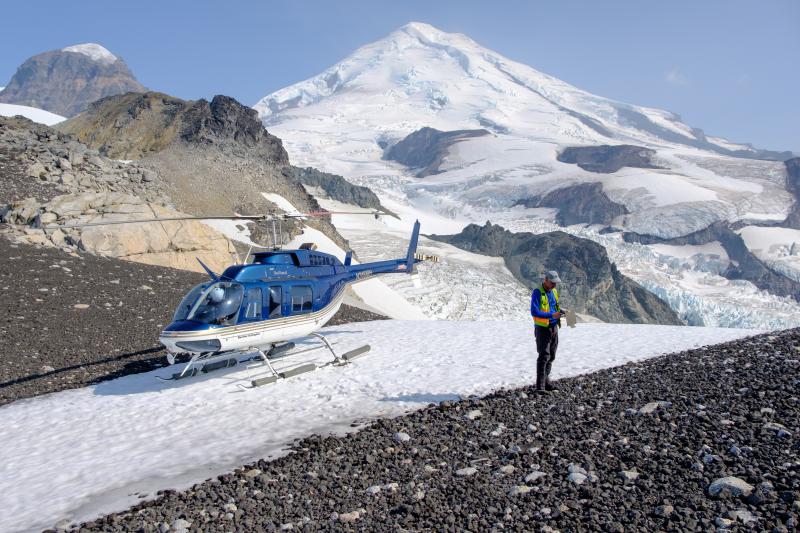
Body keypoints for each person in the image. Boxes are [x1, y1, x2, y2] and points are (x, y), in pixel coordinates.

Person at [530, 270, 566, 393]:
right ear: (545, 280)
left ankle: (546, 383)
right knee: (544, 356)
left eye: (556, 283)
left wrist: (561, 311)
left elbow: (554, 306)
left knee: (551, 355)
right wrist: (552, 314)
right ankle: (540, 387)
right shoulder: (537, 292)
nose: (555, 285)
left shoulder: (554, 292)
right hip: (542, 329)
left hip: (554, 327)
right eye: (552, 283)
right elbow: (534, 312)